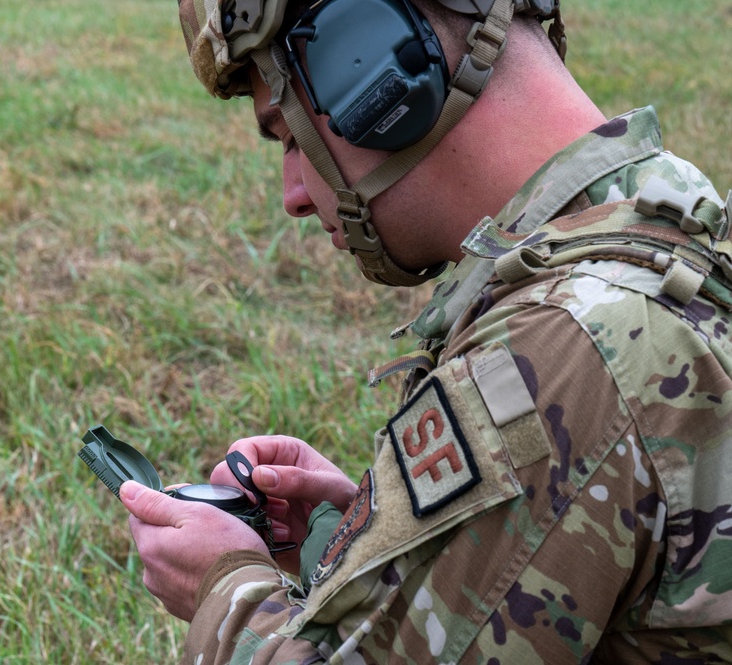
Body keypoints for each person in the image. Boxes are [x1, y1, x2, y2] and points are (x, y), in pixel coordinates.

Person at [119, 0, 732, 661]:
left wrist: (225, 587)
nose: (293, 193)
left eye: (291, 136)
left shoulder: (560, 351)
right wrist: (365, 538)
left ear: (369, 68)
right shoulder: (667, 218)